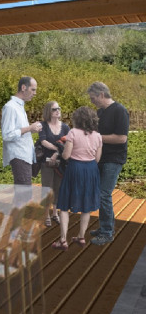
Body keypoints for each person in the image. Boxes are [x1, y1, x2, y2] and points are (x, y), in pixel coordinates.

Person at [52, 106, 102, 250]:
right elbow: (97, 158)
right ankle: (81, 237)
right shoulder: (98, 136)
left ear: (77, 119)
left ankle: (63, 240)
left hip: (75, 169)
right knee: (86, 206)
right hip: (91, 170)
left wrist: (61, 152)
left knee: (64, 205)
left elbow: (66, 155)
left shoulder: (73, 133)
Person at [87, 82, 129, 246]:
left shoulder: (120, 110)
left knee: (104, 194)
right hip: (100, 158)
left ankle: (106, 233)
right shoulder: (100, 112)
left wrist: (96, 137)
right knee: (100, 193)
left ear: (101, 95)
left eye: (93, 98)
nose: (92, 101)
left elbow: (121, 138)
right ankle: (107, 226)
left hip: (114, 159)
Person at [1, 76, 42, 186]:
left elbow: (19, 131)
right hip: (19, 156)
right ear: (23, 87)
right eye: (33, 89)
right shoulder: (10, 107)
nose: (35, 93)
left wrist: (31, 130)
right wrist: (29, 128)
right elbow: (7, 135)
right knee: (23, 194)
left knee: (23, 193)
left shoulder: (19, 107)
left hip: (25, 156)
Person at [38, 101, 70, 227]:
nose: (58, 111)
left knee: (58, 188)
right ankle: (46, 215)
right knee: (47, 188)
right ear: (48, 112)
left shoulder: (66, 127)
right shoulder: (43, 125)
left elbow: (68, 143)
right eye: (54, 109)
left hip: (60, 163)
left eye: (59, 108)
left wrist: (57, 153)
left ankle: (55, 213)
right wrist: (57, 149)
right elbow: (43, 141)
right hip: (46, 162)